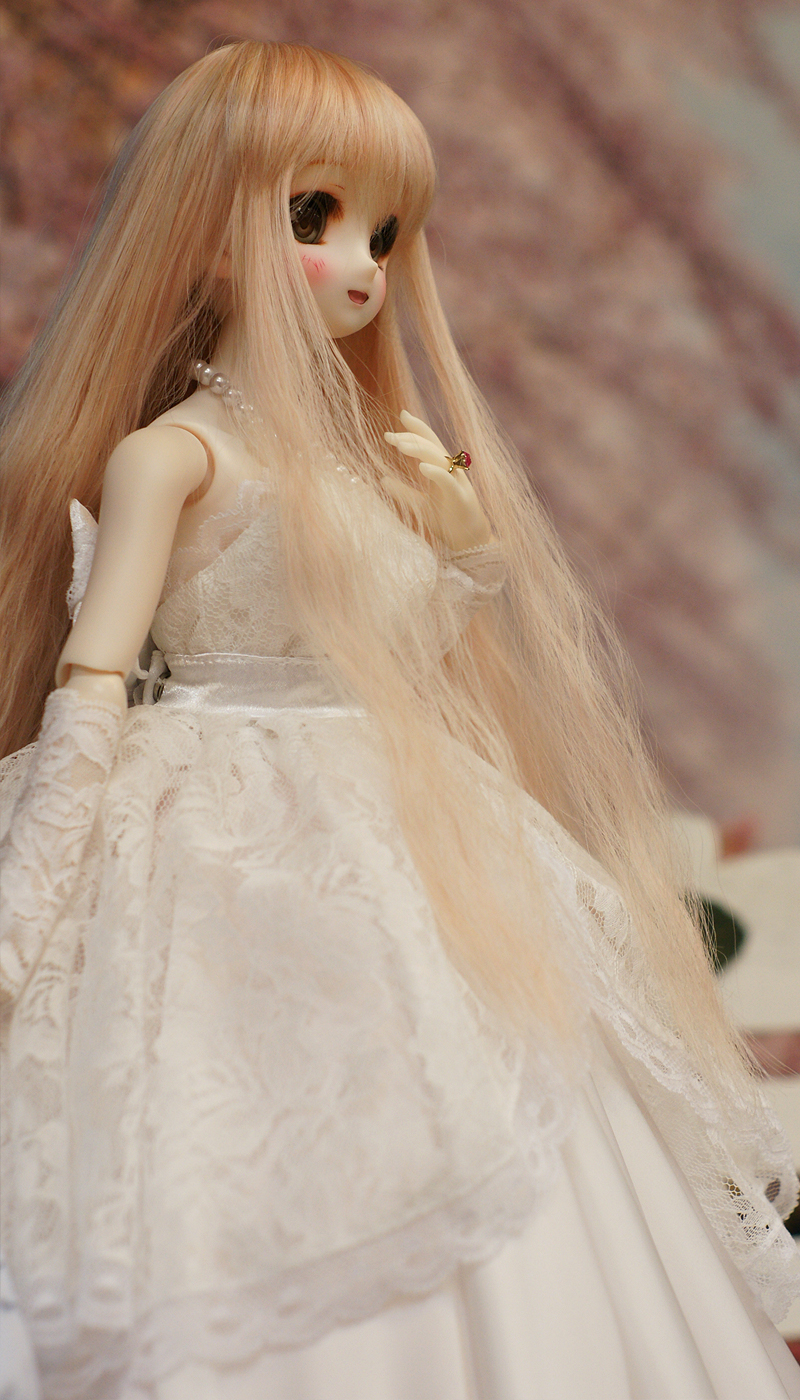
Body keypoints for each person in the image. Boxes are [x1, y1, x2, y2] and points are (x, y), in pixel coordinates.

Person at [0, 40, 798, 1400]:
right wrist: (31, 886)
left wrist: (463, 543)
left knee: (495, 1083)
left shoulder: (380, 463)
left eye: (383, 231)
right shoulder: (173, 456)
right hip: (212, 826)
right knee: (213, 1120)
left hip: (398, 812)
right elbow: (94, 677)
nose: (362, 265)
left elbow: (405, 650)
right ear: (202, 229)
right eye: (314, 217)